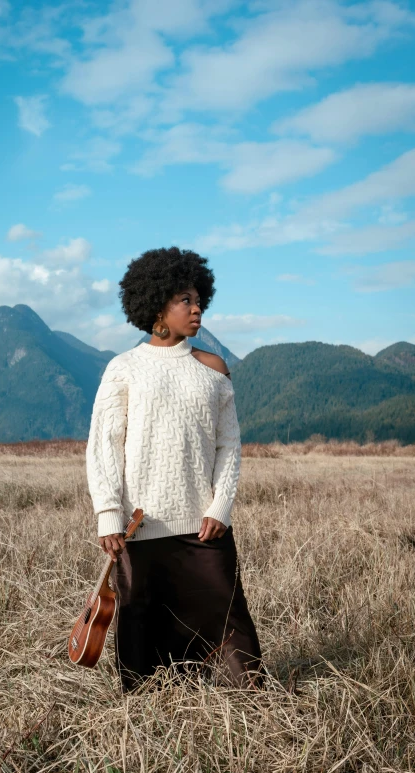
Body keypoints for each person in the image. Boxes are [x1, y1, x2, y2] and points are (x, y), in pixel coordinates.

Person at [86, 246, 264, 691]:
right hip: (139, 529)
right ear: (158, 305)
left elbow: (229, 447)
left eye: (199, 297)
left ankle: (246, 709)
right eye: (185, 298)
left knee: (230, 628)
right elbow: (103, 446)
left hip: (205, 530)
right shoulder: (124, 368)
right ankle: (150, 713)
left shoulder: (213, 369)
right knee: (144, 626)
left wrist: (221, 507)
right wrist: (108, 513)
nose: (197, 307)